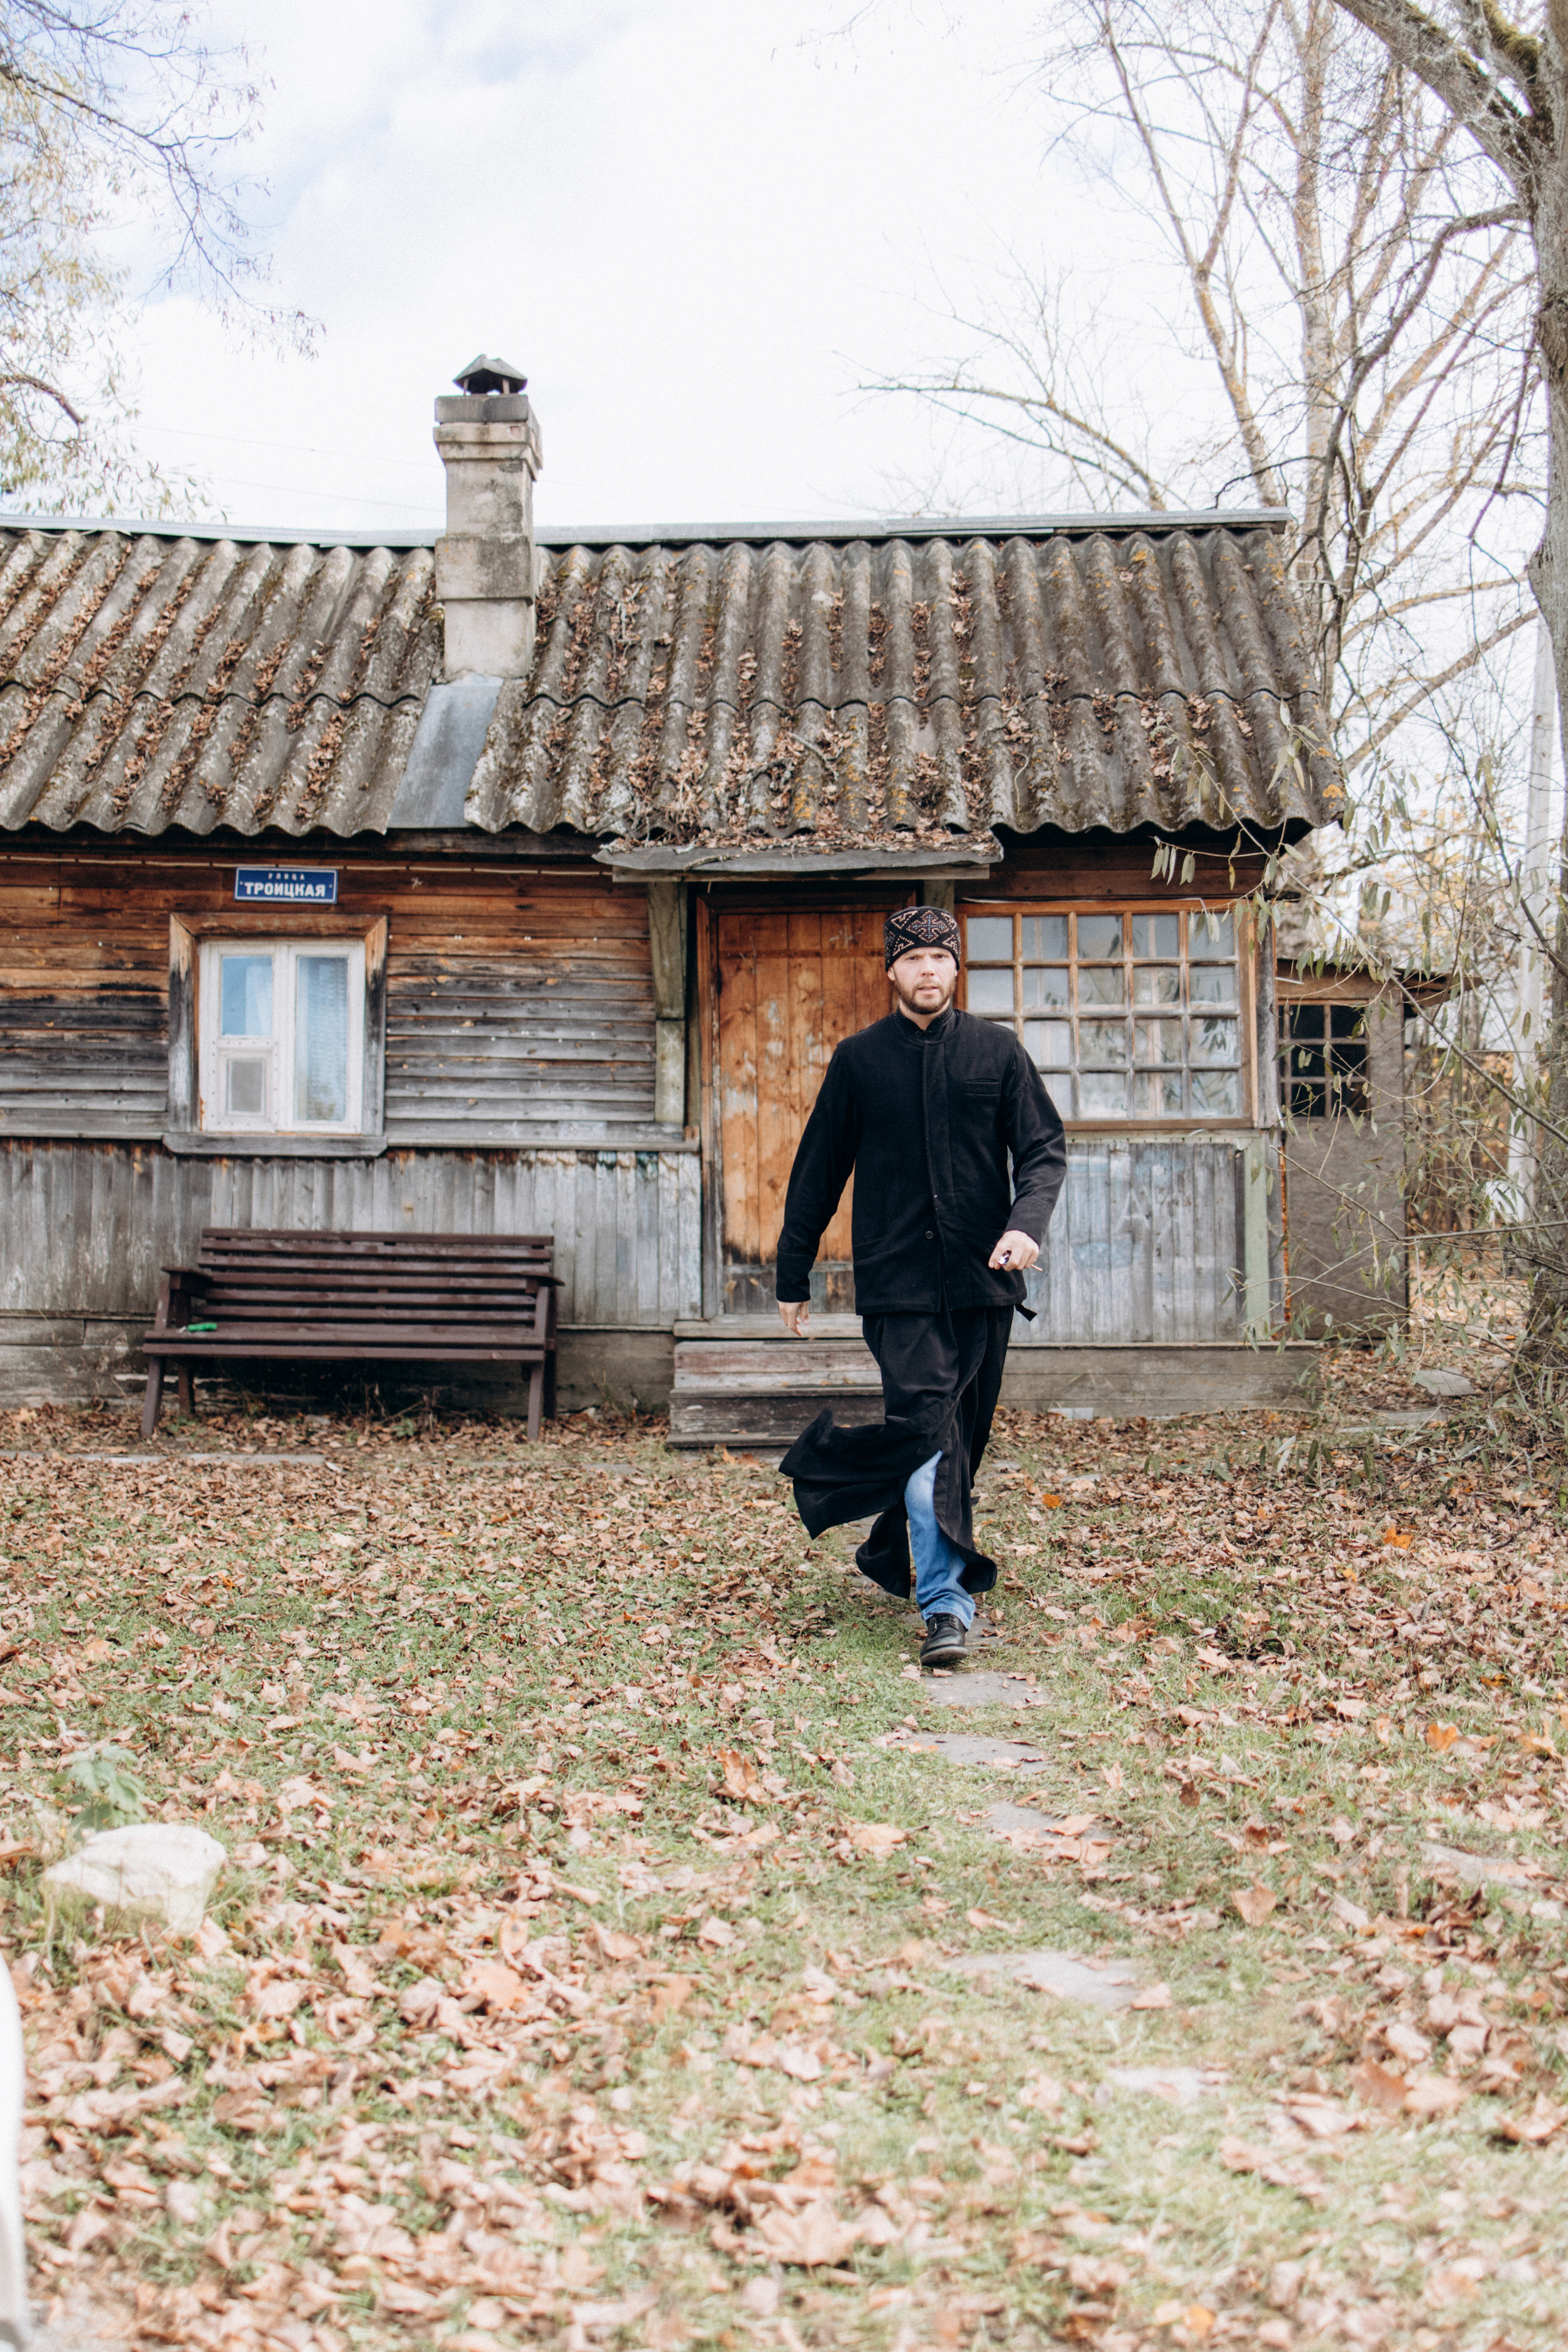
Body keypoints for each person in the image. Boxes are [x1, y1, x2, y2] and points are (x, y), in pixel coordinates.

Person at [774, 903, 1067, 1667]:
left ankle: (885, 1543)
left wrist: (1026, 1225)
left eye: (940, 957)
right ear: (891, 972)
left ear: (956, 968)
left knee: (960, 1439)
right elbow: (817, 1171)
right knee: (931, 1431)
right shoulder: (859, 1060)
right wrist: (791, 1272)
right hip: (897, 1285)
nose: (927, 970)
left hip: (984, 1281)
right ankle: (945, 1606)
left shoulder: (997, 1052)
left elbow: (1043, 1150)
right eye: (913, 958)